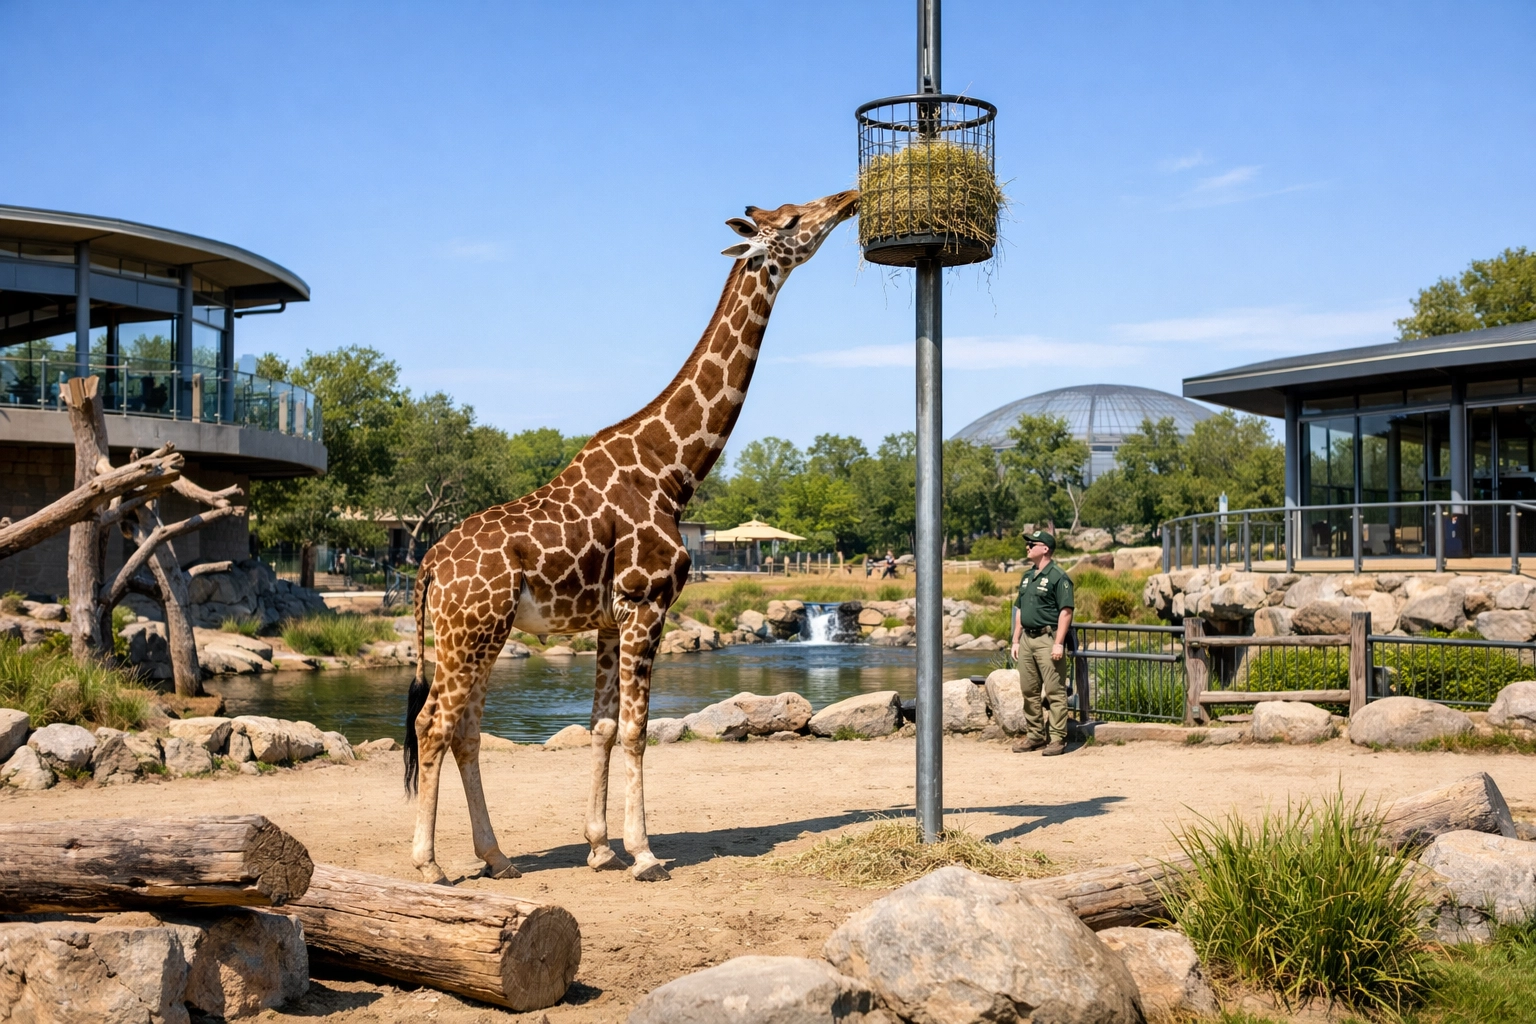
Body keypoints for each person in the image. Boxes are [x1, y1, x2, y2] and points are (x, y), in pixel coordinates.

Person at [1010, 530, 1074, 756]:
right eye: (1027, 544)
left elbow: (1066, 612)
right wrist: (1015, 639)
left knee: (1055, 691)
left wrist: (1058, 643)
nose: (1027, 547)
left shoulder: (1058, 577)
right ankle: (1035, 736)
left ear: (1045, 549)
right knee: (1029, 690)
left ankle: (1057, 739)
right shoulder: (1027, 576)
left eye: (1032, 544)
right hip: (1027, 639)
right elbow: (1020, 609)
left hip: (1048, 638)